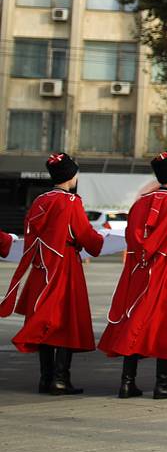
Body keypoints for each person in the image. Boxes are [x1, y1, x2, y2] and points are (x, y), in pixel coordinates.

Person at [98, 150, 167, 399]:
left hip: (139, 268)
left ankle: (127, 381)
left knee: (135, 319)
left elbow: (133, 237)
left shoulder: (140, 203)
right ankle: (163, 384)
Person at [0, 153, 104, 394]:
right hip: (65, 265)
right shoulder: (70, 202)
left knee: (44, 320)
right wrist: (99, 242)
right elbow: (87, 236)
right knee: (65, 320)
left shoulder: (40, 201)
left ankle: (46, 378)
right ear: (71, 175)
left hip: (41, 268)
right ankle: (60, 379)